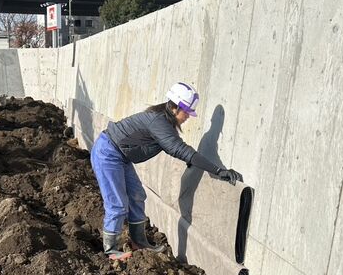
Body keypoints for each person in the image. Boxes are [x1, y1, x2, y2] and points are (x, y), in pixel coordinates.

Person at [90, 82, 243, 261]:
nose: (188, 116)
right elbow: (180, 149)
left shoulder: (163, 120)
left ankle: (139, 241)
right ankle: (111, 250)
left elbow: (181, 149)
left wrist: (208, 166)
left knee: (137, 195)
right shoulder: (158, 122)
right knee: (117, 204)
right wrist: (218, 170)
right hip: (108, 153)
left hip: (120, 156)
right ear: (175, 107)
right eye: (186, 112)